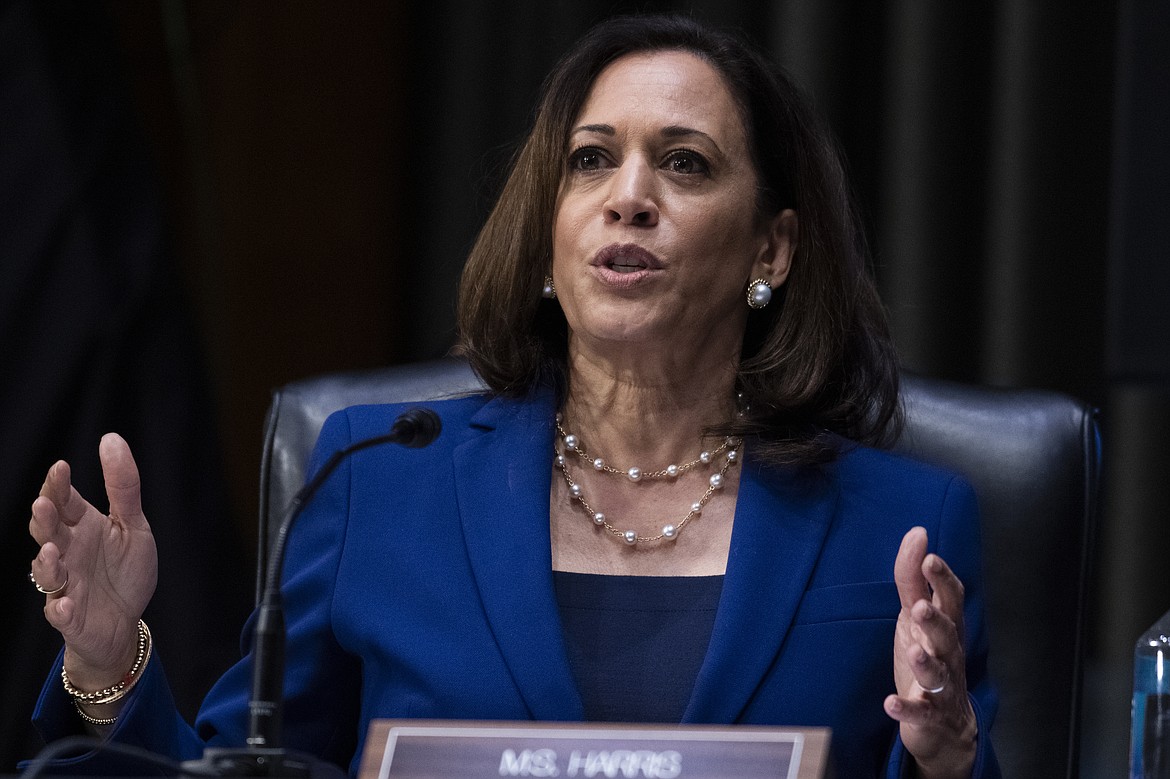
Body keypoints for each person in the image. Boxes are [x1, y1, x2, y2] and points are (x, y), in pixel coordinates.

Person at [26, 14, 999, 778]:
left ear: (771, 250)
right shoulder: (379, 484)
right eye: (590, 159)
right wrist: (112, 662)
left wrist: (948, 754)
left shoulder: (902, 527)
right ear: (549, 236)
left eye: (685, 161)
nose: (629, 194)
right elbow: (237, 771)